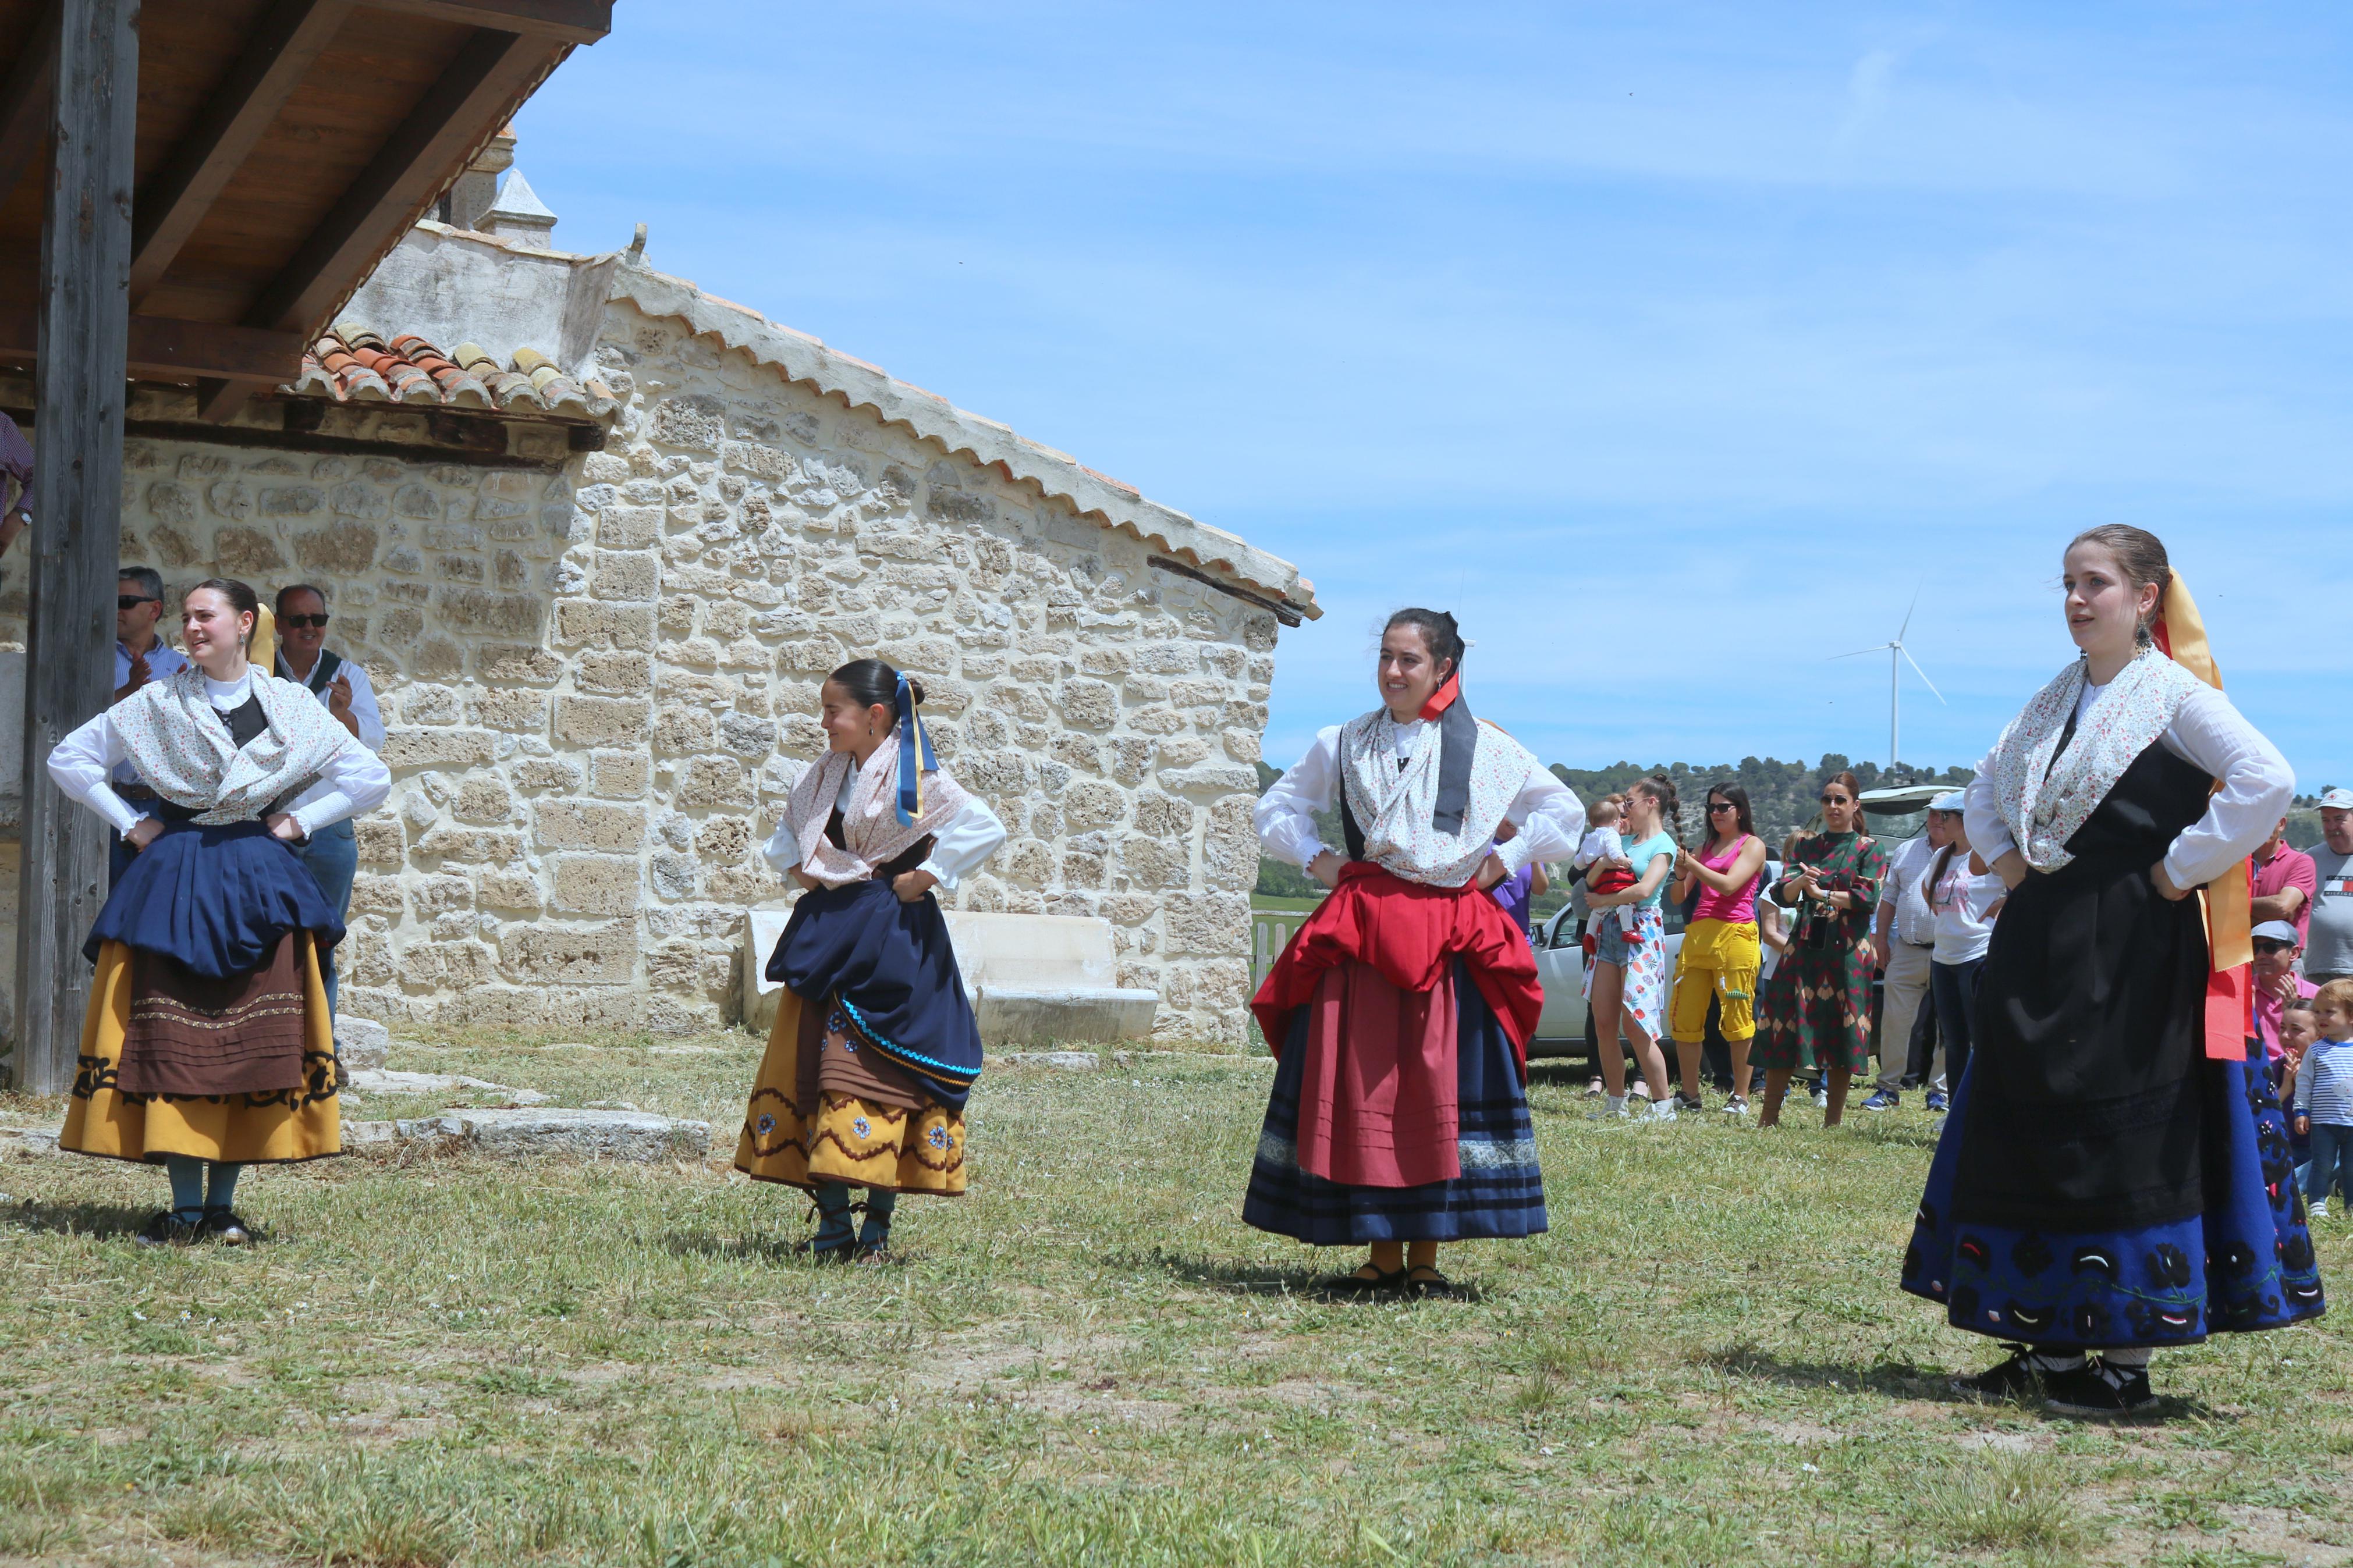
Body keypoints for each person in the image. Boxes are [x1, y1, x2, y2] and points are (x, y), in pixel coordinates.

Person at [1903, 525, 2320, 1416]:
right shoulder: (2045, 705)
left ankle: (2124, 1362)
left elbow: (2265, 777)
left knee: (2122, 1133)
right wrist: (2007, 862)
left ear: (2144, 597)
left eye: (2094, 583)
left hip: (2132, 940)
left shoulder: (2171, 695)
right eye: (2065, 583)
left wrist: (2177, 868)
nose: (2074, 600)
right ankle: (2049, 1344)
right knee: (2035, 1119)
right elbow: (1981, 788)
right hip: (2041, 935)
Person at [1250, 608, 1582, 1296]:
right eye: (1385, 657)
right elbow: (1275, 809)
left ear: (1443, 669)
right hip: (1365, 926)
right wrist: (1320, 862)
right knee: (1368, 1084)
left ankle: (1426, 1255)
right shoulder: (1339, 742)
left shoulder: (1489, 748)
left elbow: (1564, 814)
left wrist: (1503, 860)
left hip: (1452, 934)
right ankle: (1378, 1252)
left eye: (1408, 660)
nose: (1393, 672)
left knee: (1441, 1088)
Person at [47, 579, 390, 1245]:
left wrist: (300, 821)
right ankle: (183, 1210)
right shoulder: (158, 700)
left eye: (206, 616)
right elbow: (71, 758)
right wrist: (131, 822)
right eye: (187, 618)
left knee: (248, 1047)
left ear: (244, 623)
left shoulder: (289, 704)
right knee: (176, 1043)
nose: (193, 628)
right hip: (177, 874)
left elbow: (368, 776)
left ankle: (223, 1210)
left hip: (260, 877)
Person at [736, 659, 1006, 1262]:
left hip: (894, 945)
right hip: (830, 940)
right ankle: (833, 1227)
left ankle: (875, 1236)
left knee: (884, 1077)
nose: (825, 721)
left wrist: (926, 875)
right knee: (813, 1070)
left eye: (834, 710)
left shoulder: (918, 779)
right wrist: (805, 869)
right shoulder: (825, 775)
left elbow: (985, 825)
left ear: (875, 716)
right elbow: (789, 837)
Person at [271, 584, 384, 1018]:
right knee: (267, 938)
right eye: (298, 620)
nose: (309, 628)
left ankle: (322, 1049)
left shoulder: (348, 676)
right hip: (271, 826)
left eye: (317, 619)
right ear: (279, 625)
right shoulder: (259, 672)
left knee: (323, 941)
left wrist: (344, 715)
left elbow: (374, 740)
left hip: (329, 828)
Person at [1754, 773, 1886, 1129]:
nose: (1832, 806)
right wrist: (1800, 882)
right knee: (1782, 1023)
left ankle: (1833, 1121)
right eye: (1827, 799)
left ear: (1855, 806)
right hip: (1804, 947)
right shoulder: (1808, 846)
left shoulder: (1869, 848)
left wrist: (1821, 894)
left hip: (1848, 953)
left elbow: (1867, 898)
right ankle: (1769, 1118)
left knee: (1844, 1030)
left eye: (1840, 800)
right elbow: (1781, 893)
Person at [1584, 777, 1684, 1118]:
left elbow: (1645, 891)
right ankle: (1616, 1102)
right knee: (1603, 1022)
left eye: (1630, 801)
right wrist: (1602, 868)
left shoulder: (1664, 845)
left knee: (1636, 1022)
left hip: (1640, 930)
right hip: (1609, 930)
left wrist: (1602, 897)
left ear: (1651, 803)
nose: (1623, 808)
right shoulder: (1620, 839)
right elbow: (1589, 878)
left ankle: (1662, 1103)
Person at [1669, 783, 1767, 1115]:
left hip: (1736, 937)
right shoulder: (1704, 847)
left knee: (1737, 1017)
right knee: (1686, 1017)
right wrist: (1681, 872)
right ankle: (1690, 1093)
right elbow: (1678, 897)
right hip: (1699, 936)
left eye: (1723, 807)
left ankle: (1741, 1095)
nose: (1716, 813)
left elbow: (1728, 886)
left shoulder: (1752, 845)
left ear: (1740, 809)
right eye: (1712, 807)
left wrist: (1692, 865)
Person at [1921, 791, 2003, 1122]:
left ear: (1966, 819)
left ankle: (1982, 1109)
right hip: (1944, 957)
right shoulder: (1941, 856)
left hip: (1977, 956)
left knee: (1979, 1038)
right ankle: (1957, 1111)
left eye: (1947, 816)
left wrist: (1988, 915)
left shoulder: (1990, 856)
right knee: (1953, 1041)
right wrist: (1948, 918)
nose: (1940, 822)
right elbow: (1929, 891)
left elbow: (2014, 887)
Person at [108, 568, 192, 885]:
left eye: (126, 601)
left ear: (154, 609)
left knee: (155, 903)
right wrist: (127, 692)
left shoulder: (179, 666)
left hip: (163, 806)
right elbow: (78, 726)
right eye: (111, 601)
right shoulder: (92, 660)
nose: (116, 609)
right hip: (107, 803)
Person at [1862, 807, 1944, 1111]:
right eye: (1933, 813)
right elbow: (1890, 898)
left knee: (1946, 1026)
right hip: (1907, 949)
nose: (1937, 820)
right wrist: (1880, 940)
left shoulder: (1970, 852)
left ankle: (1941, 1093)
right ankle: (1887, 1089)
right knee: (1894, 1021)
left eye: (1946, 815)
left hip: (1950, 951)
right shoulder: (1907, 850)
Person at [2294, 980, 2353, 1220]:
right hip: (2323, 1123)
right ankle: (2317, 1202)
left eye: (2329, 1011)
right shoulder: (2316, 1050)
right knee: (2321, 1164)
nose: (2321, 1017)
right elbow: (2305, 1083)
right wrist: (2301, 1111)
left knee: (2351, 1167)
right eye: (2317, 1011)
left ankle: (2351, 1204)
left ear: (2351, 1016)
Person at [2252, 920, 2319, 1065]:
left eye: (2270, 948)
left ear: (2294, 953)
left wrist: (2291, 1011)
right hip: (2256, 1071)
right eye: (2255, 949)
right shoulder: (2243, 992)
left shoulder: (2317, 996)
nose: (2260, 955)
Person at [2251, 816, 2318, 949]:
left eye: (2267, 821)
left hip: (2282, 960)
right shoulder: (2235, 864)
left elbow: (2283, 907)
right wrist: (2270, 913)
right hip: (2239, 961)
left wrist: (2235, 908)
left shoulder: (2301, 862)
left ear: (2281, 824)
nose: (2262, 829)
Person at [2308, 788, 2353, 984]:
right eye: (2326, 820)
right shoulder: (2310, 859)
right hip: (2319, 970)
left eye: (2339, 818)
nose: (2332, 826)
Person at [1486, 817, 1549, 938]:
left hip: (1519, 935)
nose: (1513, 821)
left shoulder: (1529, 849)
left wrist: (1533, 857)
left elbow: (1540, 890)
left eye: (1518, 816)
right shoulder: (1484, 845)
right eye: (1509, 816)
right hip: (1487, 933)